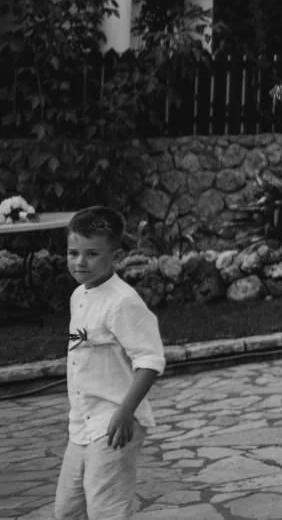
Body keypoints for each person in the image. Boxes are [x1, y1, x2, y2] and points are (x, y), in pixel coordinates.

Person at [55, 205, 165, 520]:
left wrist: (125, 412)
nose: (80, 262)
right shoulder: (79, 296)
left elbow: (150, 361)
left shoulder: (123, 302)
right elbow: (83, 349)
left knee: (107, 510)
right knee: (68, 511)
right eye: (73, 253)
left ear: (115, 257)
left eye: (92, 254)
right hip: (82, 424)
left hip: (114, 423)